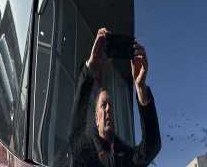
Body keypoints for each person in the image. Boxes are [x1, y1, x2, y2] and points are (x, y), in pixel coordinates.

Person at [67, 27, 161, 167]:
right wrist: (91, 67)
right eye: (103, 105)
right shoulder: (84, 149)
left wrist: (140, 87)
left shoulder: (127, 156)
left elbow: (152, 147)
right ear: (96, 118)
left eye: (110, 105)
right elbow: (75, 134)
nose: (108, 109)